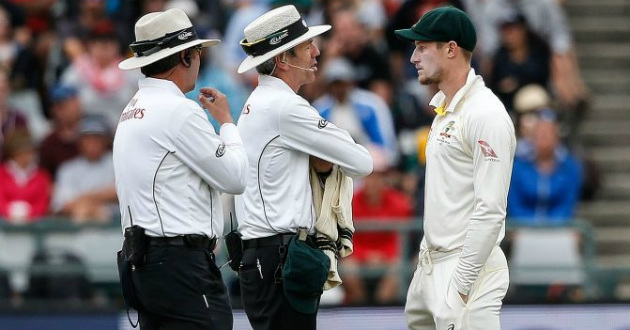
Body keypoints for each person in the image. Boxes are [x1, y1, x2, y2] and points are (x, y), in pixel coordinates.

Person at [235, 5, 372, 330]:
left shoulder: (260, 102)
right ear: (283, 59)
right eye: (306, 46)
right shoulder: (285, 107)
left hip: (264, 257)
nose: (317, 51)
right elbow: (362, 162)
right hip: (279, 258)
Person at [114, 8, 248, 330]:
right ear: (186, 56)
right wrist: (227, 123)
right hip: (180, 265)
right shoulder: (178, 110)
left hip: (144, 264)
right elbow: (235, 177)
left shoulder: (131, 109)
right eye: (198, 52)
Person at [395, 6, 516, 330]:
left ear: (450, 49)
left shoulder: (485, 113)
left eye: (422, 47)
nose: (413, 58)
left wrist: (460, 287)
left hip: (467, 271)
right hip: (431, 265)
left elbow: (490, 210)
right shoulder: (445, 112)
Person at [51, 115, 117, 224]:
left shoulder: (117, 163)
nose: (92, 143)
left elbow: (119, 193)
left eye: (97, 138)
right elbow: (63, 205)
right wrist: (99, 198)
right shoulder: (67, 169)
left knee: (98, 212)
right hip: (77, 222)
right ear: (79, 141)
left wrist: (86, 198)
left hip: (114, 223)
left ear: (106, 141)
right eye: (88, 138)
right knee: (82, 211)